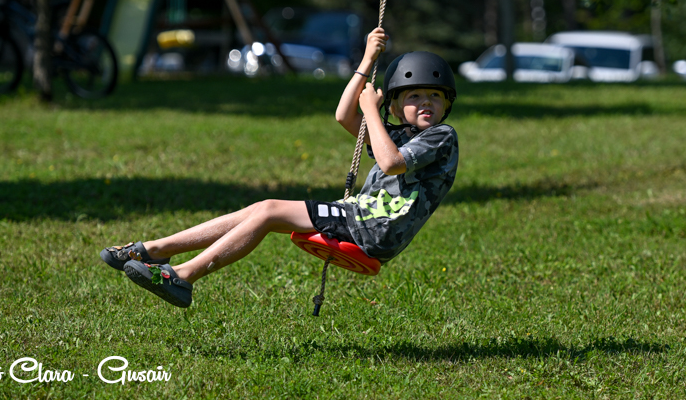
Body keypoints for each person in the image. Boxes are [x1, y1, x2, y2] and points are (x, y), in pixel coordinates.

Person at [100, 27, 459, 308]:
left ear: (446, 105)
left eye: (435, 96)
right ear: (395, 107)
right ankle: (156, 250)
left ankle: (182, 275)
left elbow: (391, 163)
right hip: (362, 221)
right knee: (261, 209)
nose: (426, 102)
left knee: (269, 210)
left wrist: (371, 112)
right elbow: (343, 115)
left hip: (372, 229)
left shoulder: (441, 136)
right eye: (414, 95)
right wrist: (366, 61)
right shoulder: (395, 135)